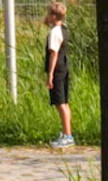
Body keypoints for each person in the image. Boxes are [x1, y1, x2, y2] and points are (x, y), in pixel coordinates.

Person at [43, 2, 73, 149]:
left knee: (60, 103)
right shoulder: (64, 29)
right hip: (65, 67)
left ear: (53, 16)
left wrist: (50, 74)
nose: (46, 16)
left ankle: (68, 136)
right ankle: (67, 133)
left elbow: (54, 53)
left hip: (58, 69)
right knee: (65, 102)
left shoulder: (54, 32)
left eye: (48, 14)